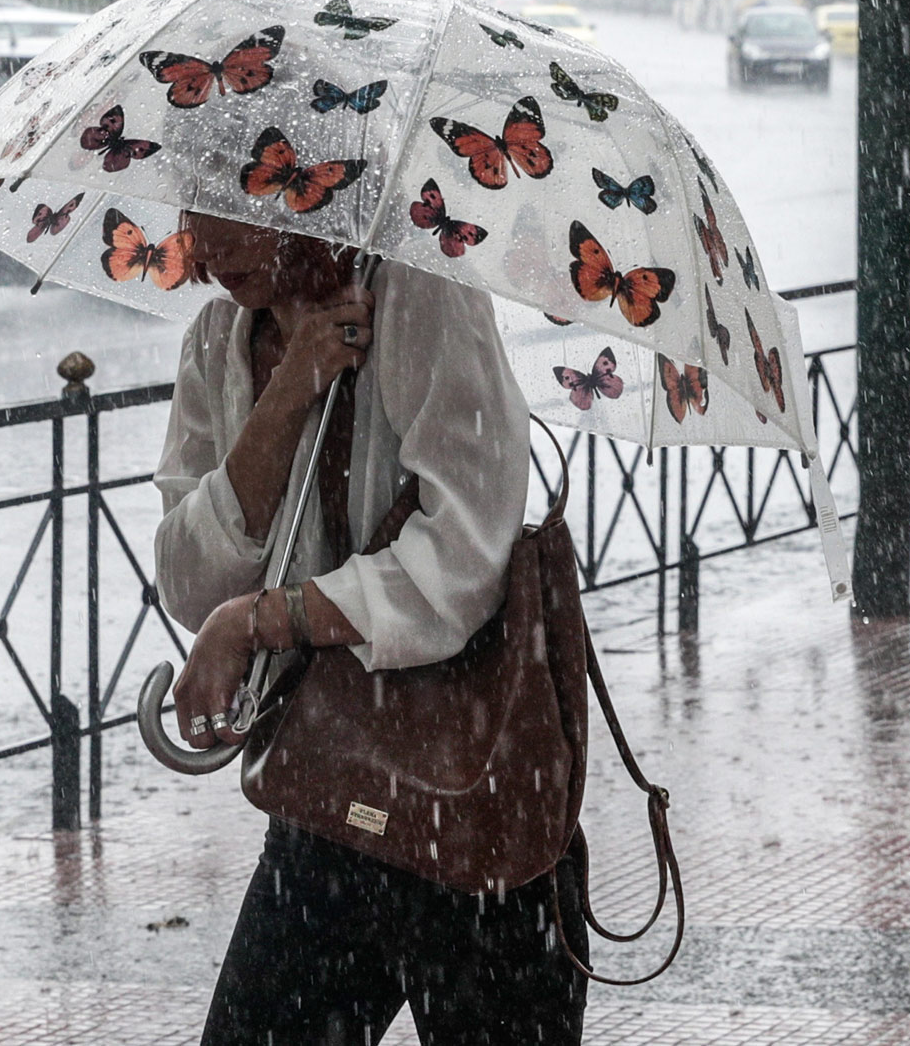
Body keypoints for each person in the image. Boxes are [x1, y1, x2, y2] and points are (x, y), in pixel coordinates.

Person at [153, 212, 591, 1046]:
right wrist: (285, 398)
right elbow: (189, 577)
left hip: (481, 806)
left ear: (300, 184)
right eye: (191, 207)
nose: (206, 248)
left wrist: (260, 620)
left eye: (232, 206)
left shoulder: (420, 289)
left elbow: (463, 556)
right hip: (326, 800)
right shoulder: (218, 339)